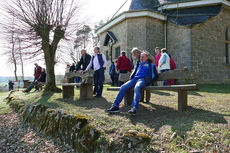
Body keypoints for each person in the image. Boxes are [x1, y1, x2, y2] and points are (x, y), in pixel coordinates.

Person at [107, 51, 157, 115]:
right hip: (134, 79)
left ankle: (134, 108)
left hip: (142, 79)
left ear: (147, 57)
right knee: (123, 87)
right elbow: (134, 72)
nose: (141, 58)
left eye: (143, 57)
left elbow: (153, 75)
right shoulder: (139, 64)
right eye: (141, 57)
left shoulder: (151, 65)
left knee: (137, 87)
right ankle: (115, 106)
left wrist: (148, 81)